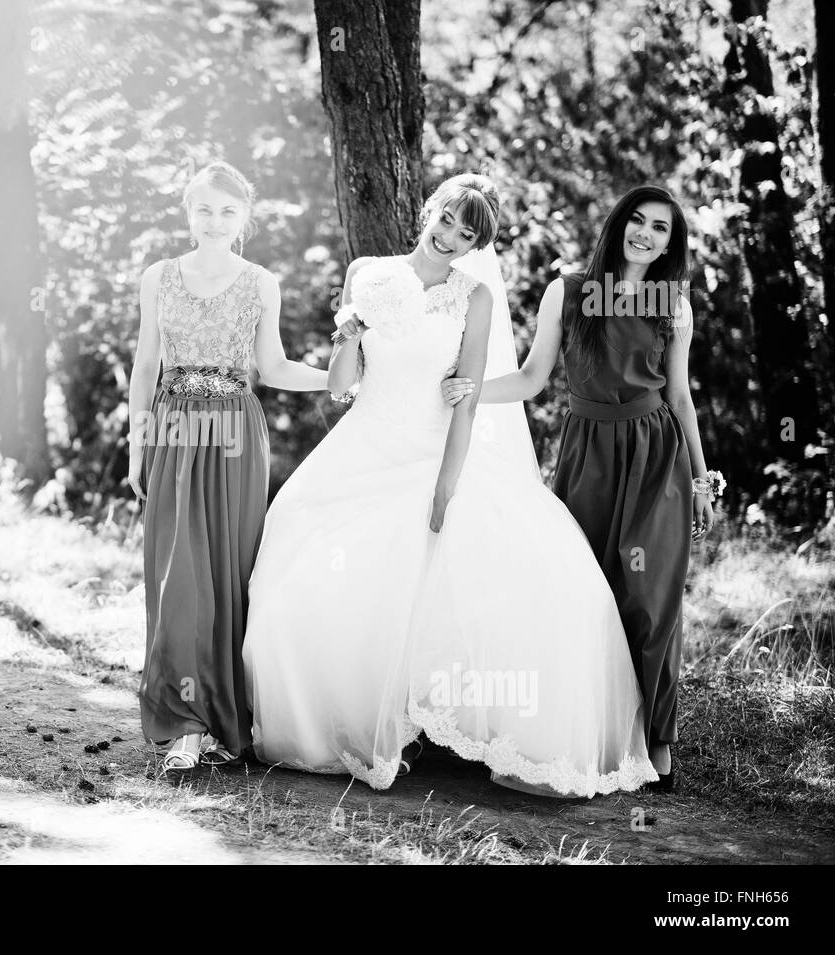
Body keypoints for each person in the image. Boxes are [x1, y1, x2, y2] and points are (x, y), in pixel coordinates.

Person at [243, 174, 657, 796]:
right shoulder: (368, 273)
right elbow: (339, 387)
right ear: (428, 210)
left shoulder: (475, 297)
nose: (450, 238)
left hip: (435, 447)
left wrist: (446, 484)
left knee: (500, 568)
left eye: (467, 235)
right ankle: (346, 725)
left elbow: (464, 398)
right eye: (446, 222)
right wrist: (349, 336)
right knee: (303, 559)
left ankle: (432, 727)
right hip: (367, 443)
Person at [442, 185, 719, 791]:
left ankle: (656, 742)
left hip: (656, 455)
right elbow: (533, 378)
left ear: (673, 244)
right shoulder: (567, 291)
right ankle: (585, 734)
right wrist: (470, 390)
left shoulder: (673, 304)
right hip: (588, 453)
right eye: (638, 220)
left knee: (651, 599)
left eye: (661, 229)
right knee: (580, 595)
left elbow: (678, 395)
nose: (646, 234)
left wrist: (701, 477)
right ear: (619, 224)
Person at [128, 160, 327, 771]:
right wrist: (138, 444)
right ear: (188, 213)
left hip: (236, 433)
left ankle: (218, 717)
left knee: (226, 576)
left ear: (244, 220)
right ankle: (183, 724)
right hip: (173, 426)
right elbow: (144, 367)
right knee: (176, 574)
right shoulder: (158, 278)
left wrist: (342, 379)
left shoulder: (260, 283)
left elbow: (273, 368)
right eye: (205, 209)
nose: (215, 221)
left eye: (228, 211)